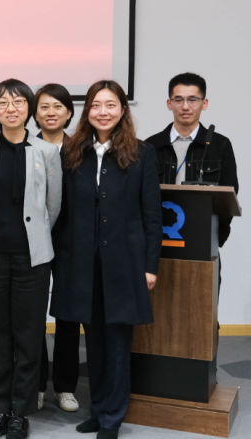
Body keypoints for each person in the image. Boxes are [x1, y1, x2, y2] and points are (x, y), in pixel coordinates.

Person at [52, 80, 163, 439]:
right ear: (88, 111)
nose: (103, 112)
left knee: (117, 343)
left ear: (122, 110)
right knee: (95, 344)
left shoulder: (142, 153)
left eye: (111, 105)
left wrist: (150, 266)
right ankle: (99, 409)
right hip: (81, 264)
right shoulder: (72, 151)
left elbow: (152, 215)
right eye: (96, 105)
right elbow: (62, 212)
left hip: (125, 264)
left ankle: (112, 417)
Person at [0, 80, 62, 439]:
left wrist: (34, 234)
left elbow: (53, 205)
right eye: (3, 103)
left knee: (28, 336)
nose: (11, 108)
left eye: (19, 102)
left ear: (29, 109)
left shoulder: (46, 152)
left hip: (32, 259)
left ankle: (20, 413)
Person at [32, 83, 81, 413]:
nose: (51, 113)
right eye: (44, 107)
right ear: (35, 114)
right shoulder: (26, 147)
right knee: (32, 315)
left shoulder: (81, 150)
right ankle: (35, 384)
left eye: (58, 107)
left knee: (68, 315)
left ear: (69, 113)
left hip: (71, 242)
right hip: (33, 241)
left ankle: (65, 386)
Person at [144, 72, 238, 241]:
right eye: (178, 100)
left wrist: (215, 236)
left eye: (192, 100)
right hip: (158, 237)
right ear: (169, 103)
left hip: (203, 237)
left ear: (204, 103)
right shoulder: (150, 146)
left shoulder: (219, 145)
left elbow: (228, 198)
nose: (185, 107)